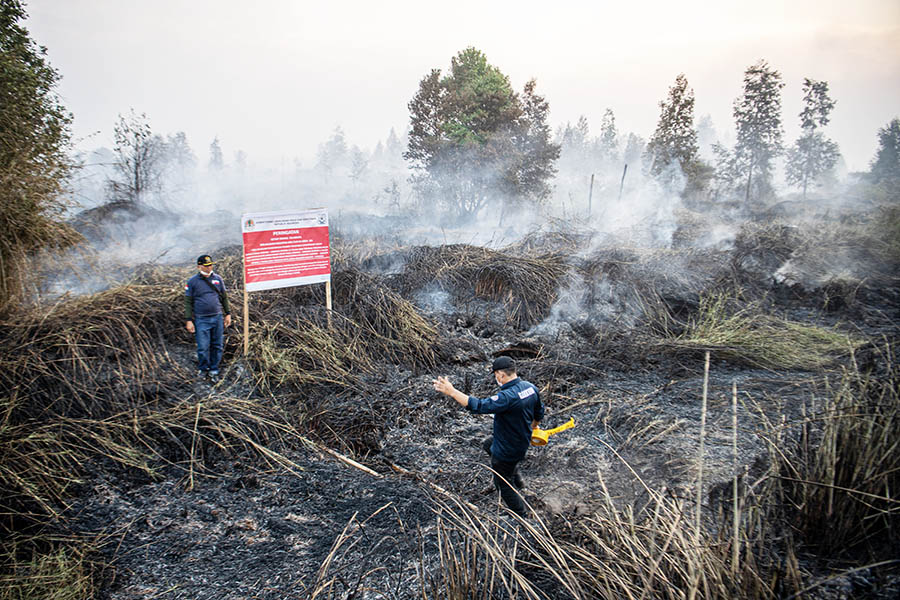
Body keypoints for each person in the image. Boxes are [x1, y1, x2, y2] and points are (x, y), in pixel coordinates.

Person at [433, 356, 544, 517]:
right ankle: (519, 484)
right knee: (488, 444)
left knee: (502, 483)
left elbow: (478, 406)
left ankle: (521, 515)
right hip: (521, 441)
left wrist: (452, 391)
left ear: (500, 375)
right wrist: (533, 427)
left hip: (507, 449)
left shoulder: (507, 397)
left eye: (495, 375)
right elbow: (539, 412)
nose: (495, 378)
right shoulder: (530, 388)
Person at [184, 254, 232, 382]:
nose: (209, 267)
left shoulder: (218, 279)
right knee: (203, 346)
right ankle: (203, 368)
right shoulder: (192, 282)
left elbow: (224, 297)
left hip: (217, 317)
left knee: (217, 345)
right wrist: (189, 320)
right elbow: (188, 302)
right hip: (201, 319)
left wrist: (228, 313)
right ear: (199, 266)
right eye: (206, 266)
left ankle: (214, 369)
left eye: (210, 265)